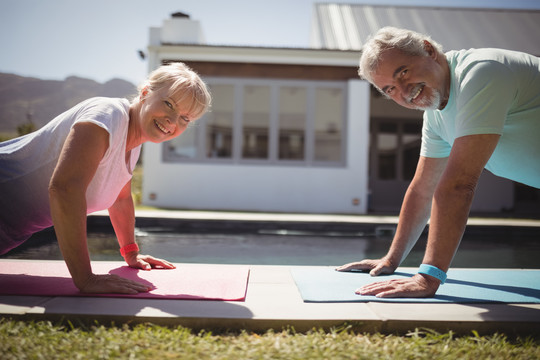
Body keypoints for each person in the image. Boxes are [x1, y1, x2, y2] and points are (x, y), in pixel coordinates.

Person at [337, 27, 540, 298]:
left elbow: (459, 185)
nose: (403, 92)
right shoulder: (436, 114)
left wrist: (428, 277)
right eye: (390, 89)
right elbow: (423, 189)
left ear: (429, 51)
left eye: (403, 72)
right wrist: (391, 260)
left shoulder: (482, 72)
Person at [0, 63, 211, 294]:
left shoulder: (133, 143)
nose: (172, 120)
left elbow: (120, 199)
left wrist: (131, 253)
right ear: (145, 92)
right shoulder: (107, 115)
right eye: (169, 104)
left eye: (184, 118)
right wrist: (86, 279)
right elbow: (65, 189)